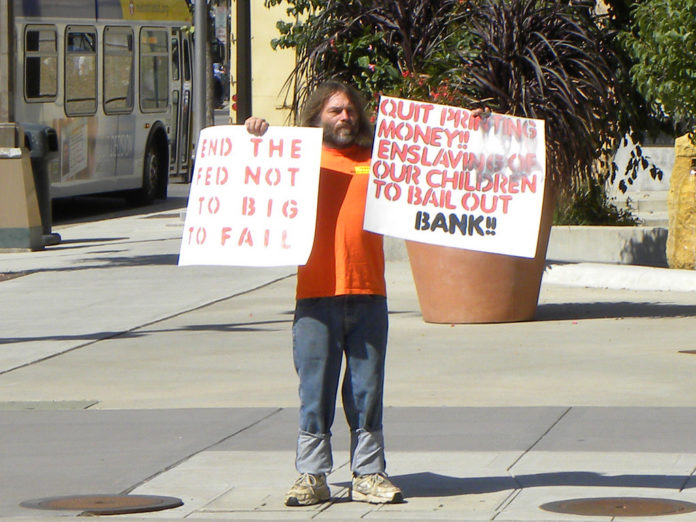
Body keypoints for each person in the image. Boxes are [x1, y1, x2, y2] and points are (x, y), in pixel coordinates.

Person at [245, 81, 403, 507]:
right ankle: (312, 476)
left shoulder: (379, 160)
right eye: (335, 111)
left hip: (369, 293)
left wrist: (478, 131)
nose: (345, 117)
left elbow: (438, 164)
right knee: (314, 392)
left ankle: (369, 473)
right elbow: (252, 166)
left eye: (351, 110)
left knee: (366, 391)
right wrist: (255, 133)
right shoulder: (296, 158)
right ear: (317, 117)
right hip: (315, 296)